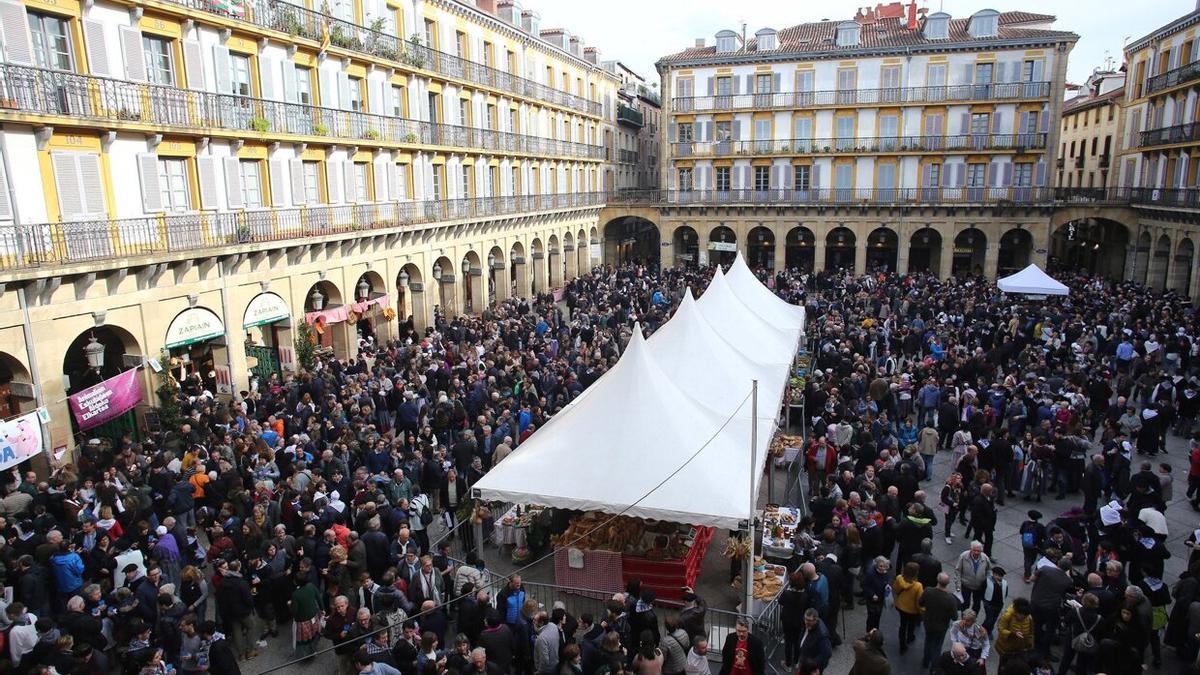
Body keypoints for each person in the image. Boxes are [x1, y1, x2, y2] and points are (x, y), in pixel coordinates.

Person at [919, 572, 960, 670]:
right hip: (941, 626)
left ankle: (926, 661)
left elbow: (920, 603)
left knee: (928, 641)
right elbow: (955, 617)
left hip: (928, 623)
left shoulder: (928, 591)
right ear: (948, 583)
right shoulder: (951, 599)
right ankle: (934, 666)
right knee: (937, 646)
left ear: (937, 580)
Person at [892, 561, 924, 654]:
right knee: (911, 624)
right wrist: (922, 611)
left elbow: (895, 589)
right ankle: (910, 637)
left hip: (901, 606)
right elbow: (919, 601)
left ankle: (902, 644)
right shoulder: (918, 586)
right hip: (912, 610)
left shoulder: (899, 578)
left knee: (903, 625)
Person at [993, 596, 1034, 669]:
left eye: (1025, 616)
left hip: (1020, 649)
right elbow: (1001, 628)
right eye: (1021, 615)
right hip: (1006, 648)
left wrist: (1030, 645)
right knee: (1003, 666)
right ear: (1017, 611)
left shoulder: (1029, 618)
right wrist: (1012, 633)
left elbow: (1030, 633)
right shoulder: (1008, 615)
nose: (1022, 617)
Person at [954, 541, 991, 613]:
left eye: (978, 551)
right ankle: (964, 618)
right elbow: (958, 571)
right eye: (975, 550)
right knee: (965, 604)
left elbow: (989, 570)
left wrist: (987, 583)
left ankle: (973, 619)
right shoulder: (964, 556)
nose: (976, 552)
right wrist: (958, 586)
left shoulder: (985, 558)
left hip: (979, 587)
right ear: (971, 549)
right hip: (966, 585)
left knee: (977, 605)